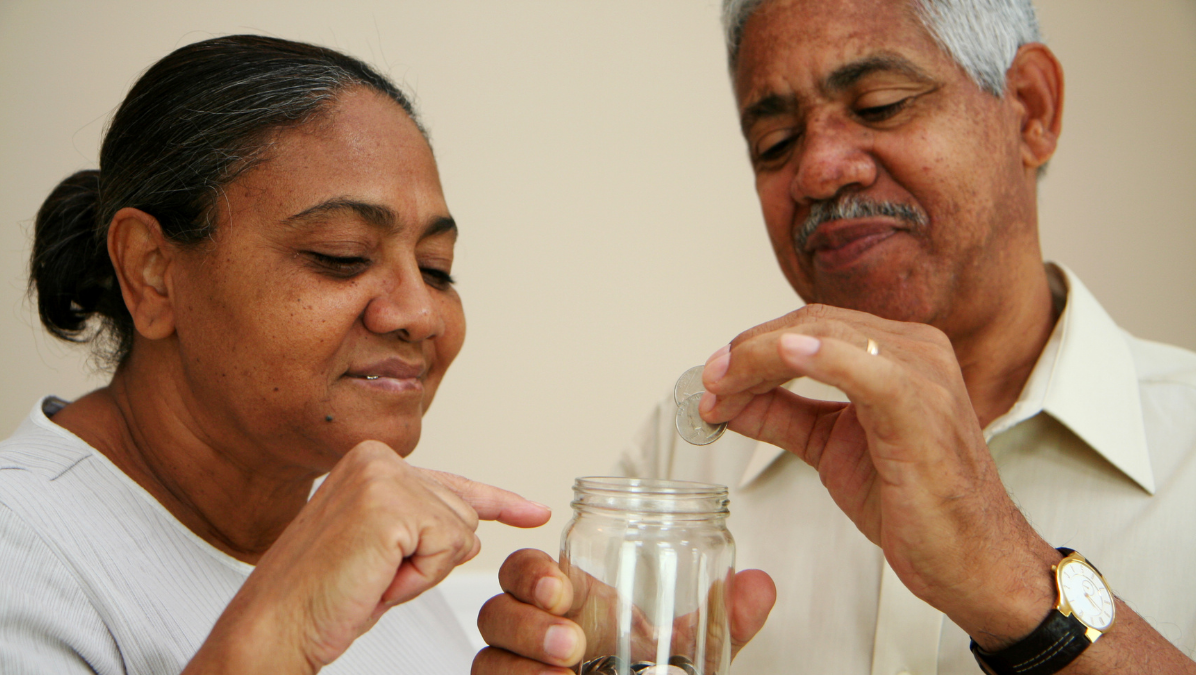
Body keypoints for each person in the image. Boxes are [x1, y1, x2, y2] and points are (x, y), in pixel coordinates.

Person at [473, 1, 1196, 674]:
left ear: (1031, 110)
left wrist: (1015, 583)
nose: (818, 169)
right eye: (776, 141)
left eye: (879, 105)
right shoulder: (695, 451)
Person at [0, 34, 560, 674]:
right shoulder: (18, 550)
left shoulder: (372, 537)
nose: (420, 313)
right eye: (341, 255)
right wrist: (281, 631)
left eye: (437, 269)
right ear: (151, 272)